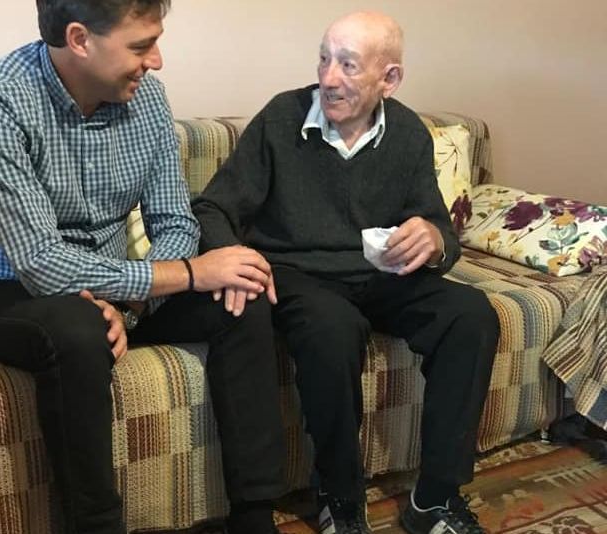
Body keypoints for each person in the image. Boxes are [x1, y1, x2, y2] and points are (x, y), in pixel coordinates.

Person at [0, 1, 287, 533]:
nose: (156, 60)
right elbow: (40, 263)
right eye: (140, 46)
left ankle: (254, 517)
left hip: (119, 285)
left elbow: (175, 221)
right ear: (80, 39)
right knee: (79, 328)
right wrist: (188, 274)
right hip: (7, 288)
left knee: (240, 296)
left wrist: (131, 305)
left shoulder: (146, 97)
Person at [192, 10, 500, 534]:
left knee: (471, 314)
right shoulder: (281, 119)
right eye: (324, 59)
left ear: (389, 78)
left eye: (348, 65)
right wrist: (232, 256)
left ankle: (435, 497)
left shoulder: (408, 133)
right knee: (333, 328)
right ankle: (340, 493)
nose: (329, 78)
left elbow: (437, 227)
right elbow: (213, 208)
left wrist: (433, 239)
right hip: (300, 275)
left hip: (382, 276)